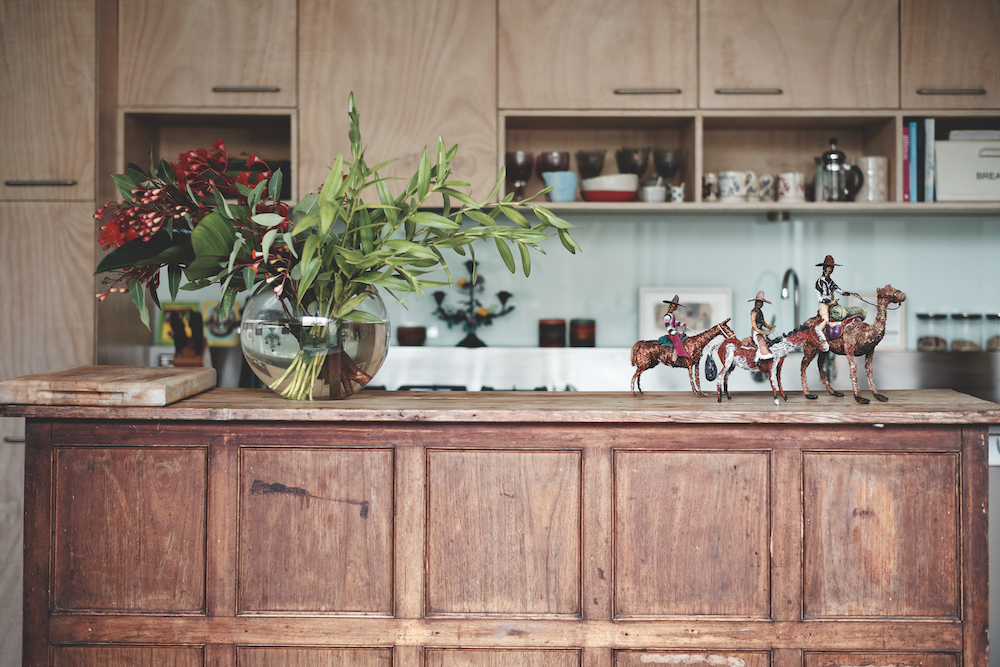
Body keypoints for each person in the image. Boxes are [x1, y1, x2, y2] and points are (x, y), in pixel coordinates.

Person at [815, 254, 853, 334]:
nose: (830, 269)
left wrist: (844, 293)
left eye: (832, 267)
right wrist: (821, 299)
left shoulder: (830, 281)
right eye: (828, 267)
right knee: (825, 320)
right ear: (824, 268)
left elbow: (837, 289)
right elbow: (817, 291)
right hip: (823, 304)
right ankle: (816, 334)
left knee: (841, 313)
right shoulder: (820, 281)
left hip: (831, 302)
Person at [749, 291, 776, 361]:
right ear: (755, 303)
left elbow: (763, 322)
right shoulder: (753, 312)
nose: (759, 304)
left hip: (760, 331)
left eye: (760, 303)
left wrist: (769, 326)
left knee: (769, 342)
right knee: (761, 343)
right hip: (756, 332)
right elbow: (754, 326)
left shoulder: (760, 312)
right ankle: (756, 360)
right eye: (757, 302)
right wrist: (763, 332)